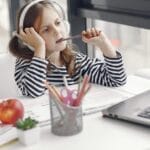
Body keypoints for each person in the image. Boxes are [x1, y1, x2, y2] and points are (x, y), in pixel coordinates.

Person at [9, 0, 127, 98]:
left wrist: (105, 45)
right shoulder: (26, 64)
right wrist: (39, 48)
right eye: (46, 29)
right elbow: (33, 91)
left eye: (58, 23)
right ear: (30, 38)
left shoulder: (75, 60)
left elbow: (116, 80)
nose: (57, 31)